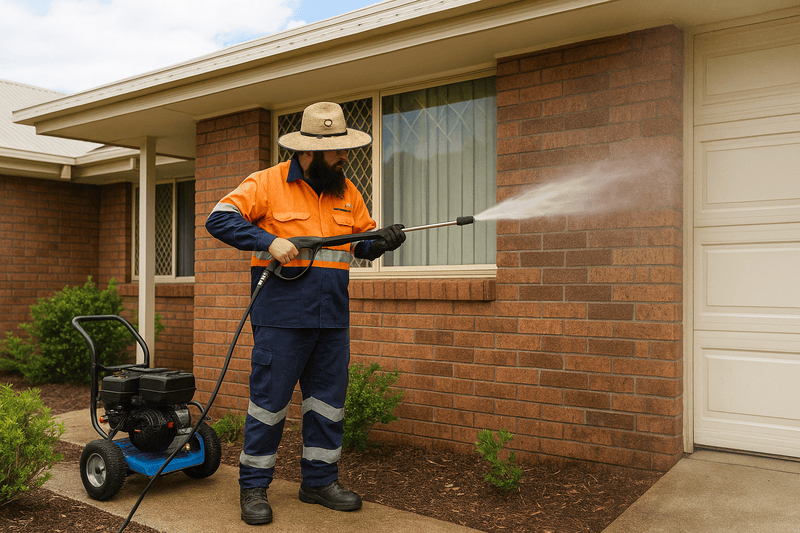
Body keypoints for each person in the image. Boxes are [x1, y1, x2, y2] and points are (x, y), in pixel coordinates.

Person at [205, 101, 405, 526]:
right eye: (337, 151)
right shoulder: (267, 182)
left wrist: (382, 241)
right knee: (268, 405)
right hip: (280, 318)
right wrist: (267, 239)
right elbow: (218, 219)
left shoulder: (346, 191)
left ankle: (319, 482)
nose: (345, 157)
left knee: (328, 405)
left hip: (332, 319)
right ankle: (254, 488)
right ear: (309, 151)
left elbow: (359, 244)